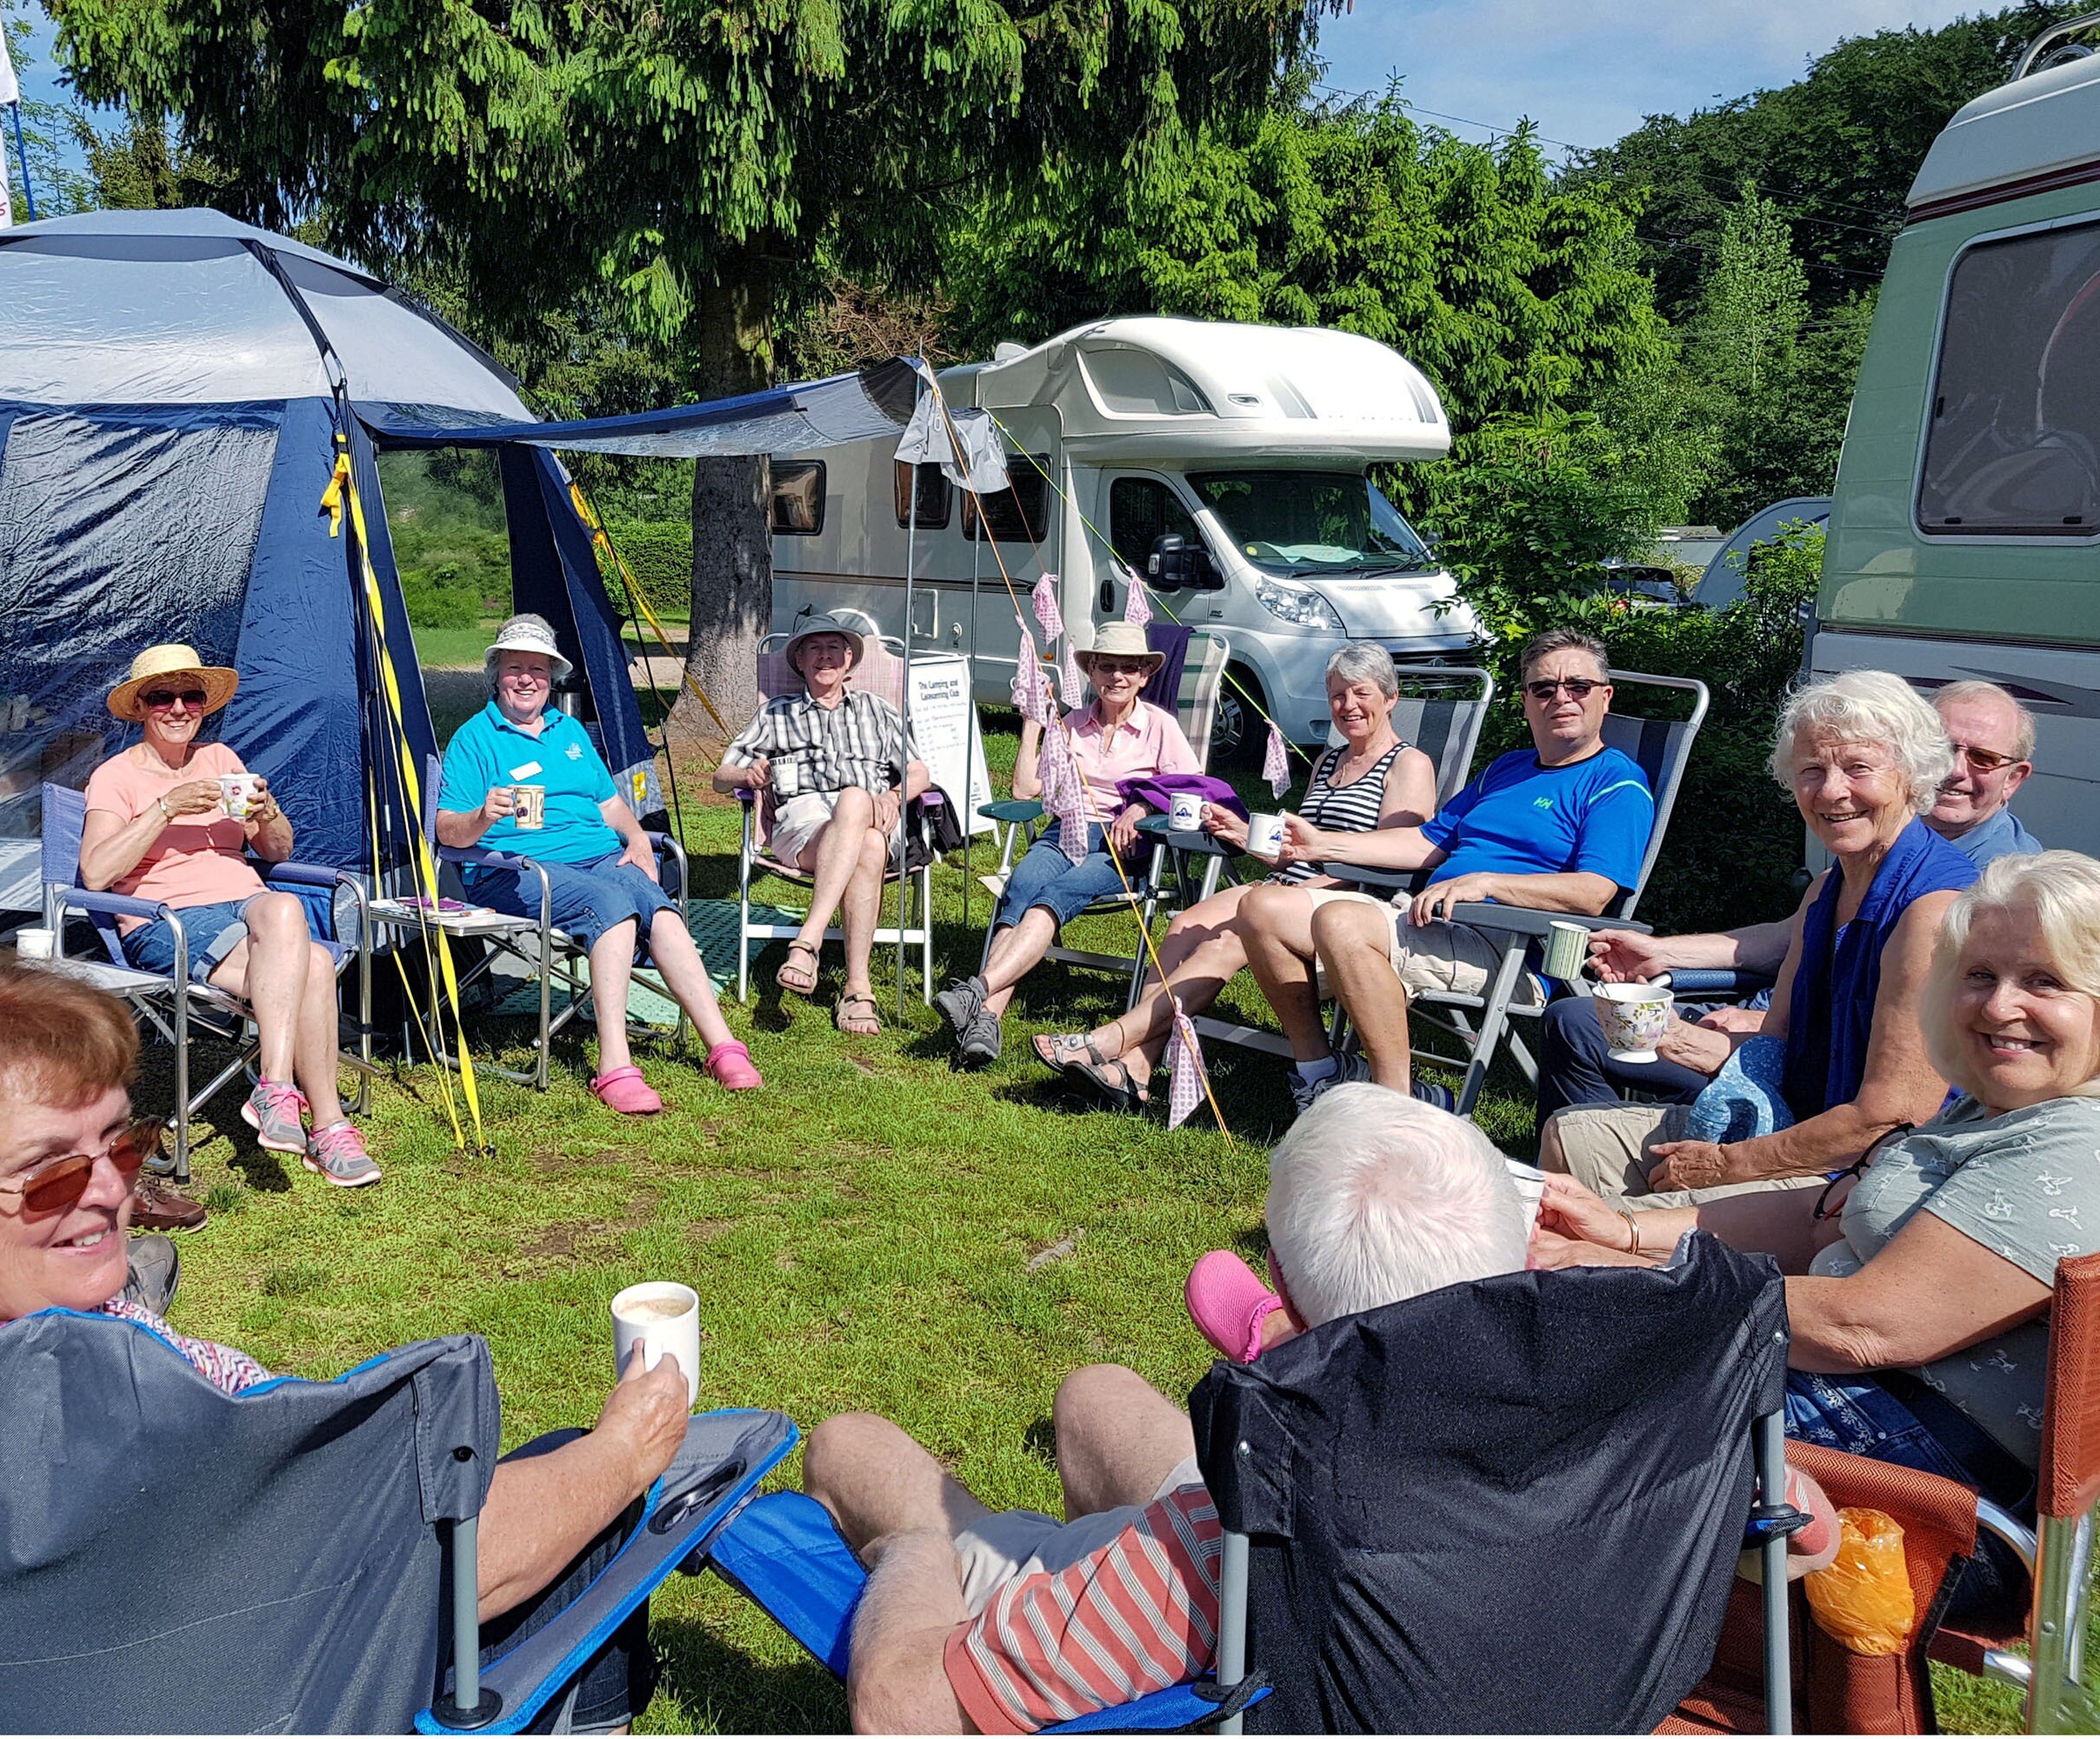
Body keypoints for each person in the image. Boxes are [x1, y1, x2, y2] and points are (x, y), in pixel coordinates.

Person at [0, 950, 689, 1730]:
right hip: (258, 1691)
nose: (111, 1194)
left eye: (122, 1146)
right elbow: (440, 1564)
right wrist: (625, 1451)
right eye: (49, 1176)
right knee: (585, 1490)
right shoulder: (128, 1414)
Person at [810, 1086, 1837, 1734]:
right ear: (1521, 1251)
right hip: (1468, 1557)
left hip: (1266, 1574)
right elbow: (1809, 1534)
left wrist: (916, 1549)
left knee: (850, 1447)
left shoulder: (1238, 1535)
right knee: (1095, 1396)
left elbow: (905, 1712)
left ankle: (965, 1545)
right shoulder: (1651, 1439)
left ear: (1291, 1310)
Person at [1531, 849, 2100, 1617]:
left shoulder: (2075, 1144)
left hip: (1923, 1483)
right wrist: (1622, 1233)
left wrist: (1622, 1274)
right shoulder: (1998, 1107)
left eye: (2044, 981)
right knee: (1534, 1336)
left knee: (1538, 1379)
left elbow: (1866, 1325)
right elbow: (1815, 1217)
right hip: (1861, 1406)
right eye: (1979, 974)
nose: (1999, 1006)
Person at [1541, 670, 1974, 1206]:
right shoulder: (1825, 892)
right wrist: (1662, 1032)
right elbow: (1778, 1048)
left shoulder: (1932, 911)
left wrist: (1727, 1165)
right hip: (1794, 1123)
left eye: (1858, 768)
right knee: (1570, 1136)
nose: (1831, 791)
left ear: (1913, 774)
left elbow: (1892, 1117)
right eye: (1811, 770)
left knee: (1618, 1218)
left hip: (1867, 1178)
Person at [1230, 628, 1654, 1109]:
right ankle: (1320, 1073)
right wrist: (1322, 844)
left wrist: (1486, 883)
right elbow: (1426, 841)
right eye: (1543, 688)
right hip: (1432, 920)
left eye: (1577, 686)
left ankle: (1395, 1109)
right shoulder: (1507, 769)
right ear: (1525, 702)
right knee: (1262, 906)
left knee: (1340, 919)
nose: (1561, 698)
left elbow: (1594, 892)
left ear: (1604, 697)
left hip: (1511, 945)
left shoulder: (1616, 782)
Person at [1029, 643, 1437, 1109]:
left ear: (1390, 697)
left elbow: (1392, 864)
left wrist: (1302, 886)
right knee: (1186, 925)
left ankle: (1112, 1041)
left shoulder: (1408, 765)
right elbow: (1296, 851)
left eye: (1361, 694)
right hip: (1292, 889)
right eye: (1337, 695)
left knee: (1226, 941)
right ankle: (1137, 1068)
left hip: (1350, 903)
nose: (1348, 706)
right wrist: (1242, 833)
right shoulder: (1331, 761)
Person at [436, 616, 761, 1114]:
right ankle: (614, 1063)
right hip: (517, 870)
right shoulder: (474, 739)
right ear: (496, 673)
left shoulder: (569, 731)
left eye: (538, 670)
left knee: (660, 909)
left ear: (551, 677)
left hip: (598, 855)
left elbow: (609, 804)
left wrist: (638, 838)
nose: (526, 679)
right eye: (515, 667)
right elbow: (446, 832)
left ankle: (722, 1045)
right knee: (610, 904)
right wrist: (482, 815)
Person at [81, 643, 370, 1192]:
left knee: (283, 905)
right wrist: (165, 808)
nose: (178, 708)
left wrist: (269, 812)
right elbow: (96, 873)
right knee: (311, 965)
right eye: (162, 697)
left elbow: (278, 852)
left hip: (249, 909)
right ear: (140, 706)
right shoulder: (115, 776)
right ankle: (328, 1124)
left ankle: (278, 1089)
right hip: (169, 919)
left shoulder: (222, 759)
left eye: (191, 696)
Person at [934, 622, 1198, 1069]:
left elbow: (1193, 789)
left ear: (1144, 676)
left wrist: (1141, 806)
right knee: (1021, 887)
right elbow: (1024, 790)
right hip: (1064, 833)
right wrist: (1033, 724)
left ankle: (978, 993)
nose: (1117, 676)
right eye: (1107, 666)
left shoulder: (1160, 727)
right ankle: (986, 1020)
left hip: (1120, 845)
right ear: (1091, 671)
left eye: (1129, 669)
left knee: (1053, 895)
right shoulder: (1073, 723)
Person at [714, 606, 930, 1036]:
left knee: (860, 815)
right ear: (799, 660)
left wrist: (894, 795)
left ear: (849, 660)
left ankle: (808, 945)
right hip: (803, 823)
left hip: (873, 813)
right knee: (862, 824)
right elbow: (721, 777)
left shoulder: (877, 710)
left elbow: (918, 771)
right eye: (814, 648)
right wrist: (747, 775)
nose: (825, 656)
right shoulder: (776, 713)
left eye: (834, 648)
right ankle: (856, 988)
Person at [1929, 679, 2043, 866]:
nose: (1955, 770)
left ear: (2012, 779)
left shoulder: (2003, 877)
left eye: (1982, 758)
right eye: (1942, 748)